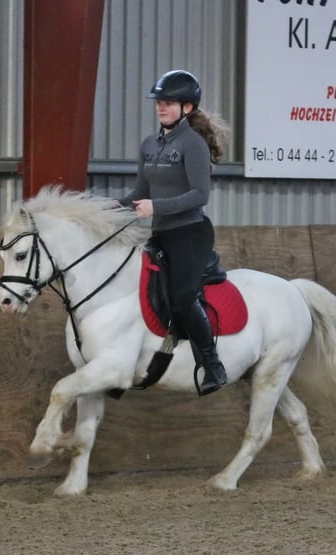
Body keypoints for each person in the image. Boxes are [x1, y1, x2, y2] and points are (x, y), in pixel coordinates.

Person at [119, 69, 229, 396]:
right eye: (159, 102)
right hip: (161, 234)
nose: (161, 107)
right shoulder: (149, 144)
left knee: (182, 297)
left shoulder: (192, 144)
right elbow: (139, 192)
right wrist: (106, 208)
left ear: (188, 108)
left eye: (168, 103)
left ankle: (212, 364)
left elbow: (199, 195)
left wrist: (156, 207)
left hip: (190, 234)